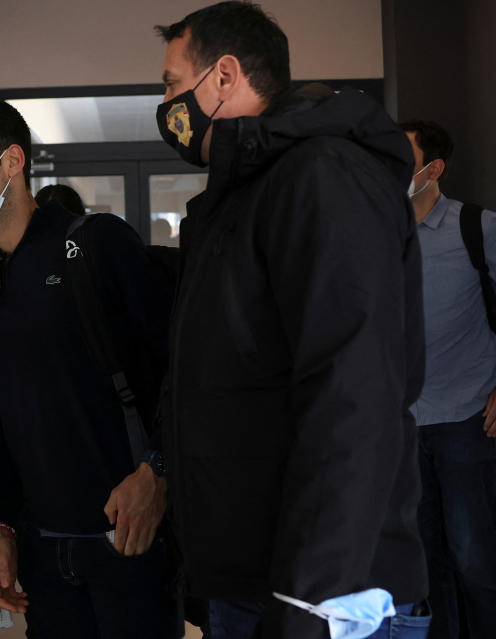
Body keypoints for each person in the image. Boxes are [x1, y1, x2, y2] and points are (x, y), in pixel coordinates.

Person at [155, 3, 429, 638]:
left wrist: (313, 598)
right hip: (256, 578)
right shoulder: (243, 192)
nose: (166, 102)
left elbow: (354, 391)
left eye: (171, 83)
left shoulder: (322, 174)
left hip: (324, 593)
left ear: (223, 75)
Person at [0, 100, 176, 638]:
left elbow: (177, 368)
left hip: (126, 536)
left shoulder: (95, 244)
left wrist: (157, 470)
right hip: (41, 547)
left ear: (12, 162)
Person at [401, 119, 496, 638]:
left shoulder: (477, 228)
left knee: (476, 562)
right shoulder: (377, 234)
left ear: (432, 169)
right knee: (424, 567)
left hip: (466, 421)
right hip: (402, 427)